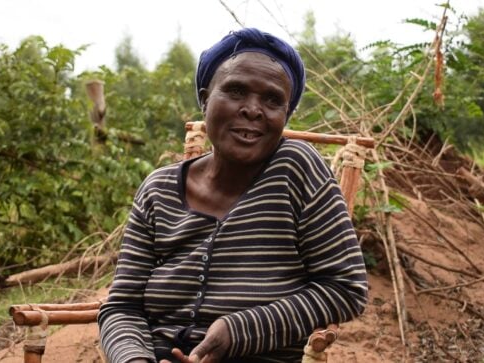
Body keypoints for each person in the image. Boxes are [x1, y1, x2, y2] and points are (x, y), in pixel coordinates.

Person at [98, 28, 368, 363]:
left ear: (286, 115)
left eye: (272, 100)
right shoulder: (159, 190)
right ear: (205, 98)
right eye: (236, 90)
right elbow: (122, 306)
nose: (253, 110)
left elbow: (346, 288)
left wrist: (239, 331)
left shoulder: (297, 170)